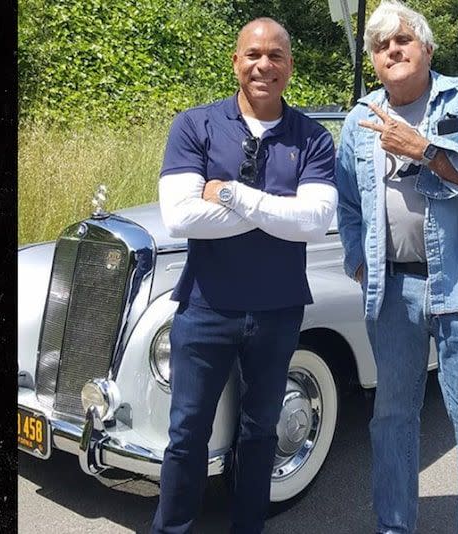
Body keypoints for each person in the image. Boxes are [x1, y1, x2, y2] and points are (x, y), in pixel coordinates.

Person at [151, 17, 337, 534]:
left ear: (290, 67)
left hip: (278, 309)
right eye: (253, 54)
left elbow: (315, 222)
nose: (264, 65)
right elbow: (180, 217)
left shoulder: (313, 139)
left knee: (260, 432)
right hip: (206, 307)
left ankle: (248, 527)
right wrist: (280, 211)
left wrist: (231, 194)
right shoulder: (196, 125)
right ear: (236, 61)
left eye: (276, 55)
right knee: (186, 433)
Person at [335, 1, 458, 533]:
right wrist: (359, 263)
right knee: (391, 422)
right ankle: (394, 527)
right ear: (373, 61)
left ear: (426, 48)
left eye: (403, 40)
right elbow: (348, 203)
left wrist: (426, 150)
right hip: (391, 292)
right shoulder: (358, 121)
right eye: (381, 45)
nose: (392, 49)